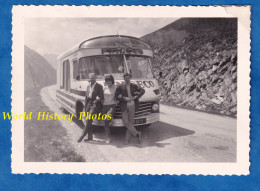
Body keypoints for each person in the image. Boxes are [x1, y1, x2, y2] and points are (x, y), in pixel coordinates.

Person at [115, 73, 145, 144]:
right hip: (124, 106)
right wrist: (124, 98)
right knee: (125, 122)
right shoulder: (120, 87)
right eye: (126, 78)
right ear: (124, 79)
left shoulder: (134, 86)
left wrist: (136, 97)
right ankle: (137, 133)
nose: (127, 79)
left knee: (130, 122)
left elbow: (143, 90)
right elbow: (116, 97)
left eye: (128, 78)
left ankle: (127, 140)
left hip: (132, 106)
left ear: (130, 78)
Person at [77, 73, 104, 143]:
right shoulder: (88, 86)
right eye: (90, 78)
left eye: (93, 78)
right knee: (87, 121)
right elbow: (86, 97)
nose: (91, 79)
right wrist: (85, 106)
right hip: (88, 103)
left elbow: (102, 97)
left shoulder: (99, 86)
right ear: (89, 79)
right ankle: (90, 137)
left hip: (95, 104)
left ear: (95, 78)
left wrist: (98, 98)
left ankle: (82, 135)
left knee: (89, 119)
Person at [102, 74, 117, 144]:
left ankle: (110, 118)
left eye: (110, 81)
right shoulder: (104, 88)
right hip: (104, 106)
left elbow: (118, 95)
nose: (108, 82)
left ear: (112, 81)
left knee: (106, 119)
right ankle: (108, 138)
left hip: (111, 106)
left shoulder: (115, 88)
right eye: (107, 81)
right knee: (105, 123)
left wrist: (117, 99)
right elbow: (101, 96)